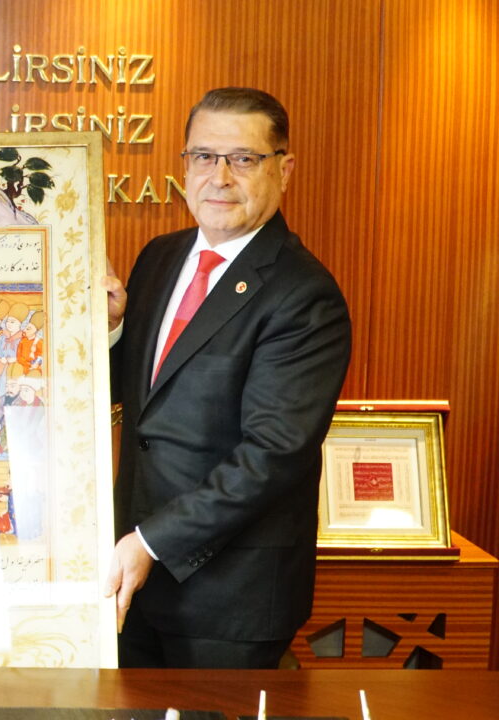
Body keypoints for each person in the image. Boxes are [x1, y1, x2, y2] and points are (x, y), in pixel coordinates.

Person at [102, 87, 352, 669]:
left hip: (229, 600)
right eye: (203, 156)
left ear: (283, 170)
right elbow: (140, 402)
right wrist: (113, 333)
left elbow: (271, 456)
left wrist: (151, 542)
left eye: (243, 159)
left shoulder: (303, 294)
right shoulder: (160, 258)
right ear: (184, 165)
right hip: (131, 581)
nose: (219, 177)